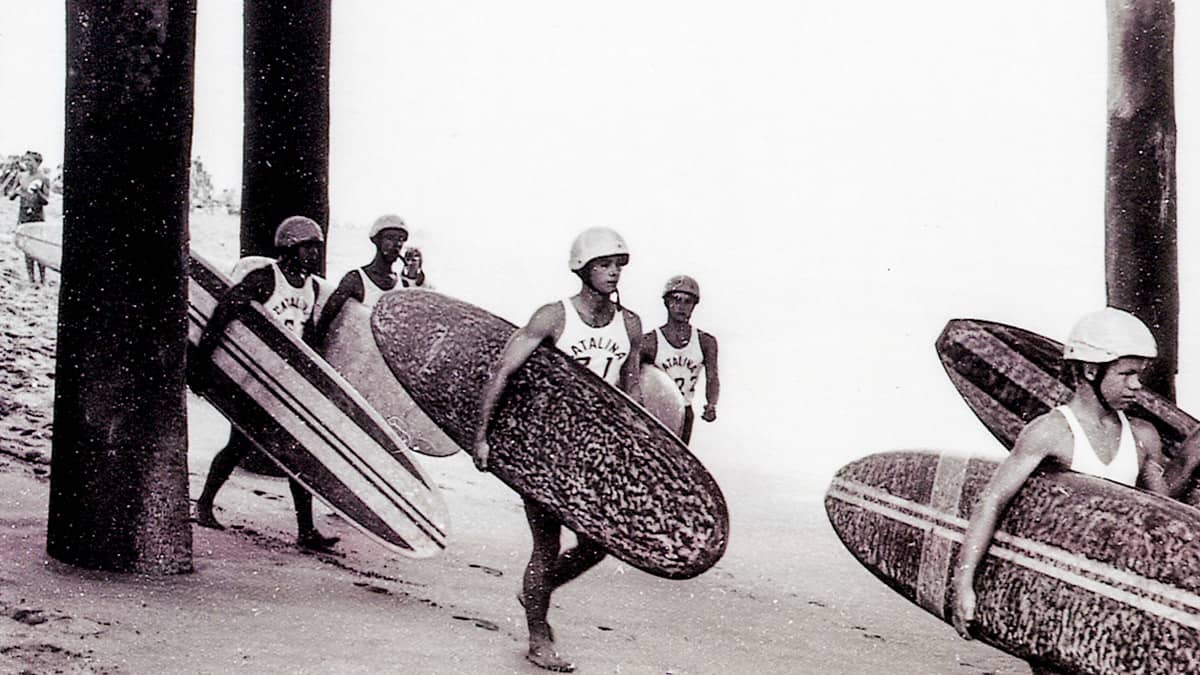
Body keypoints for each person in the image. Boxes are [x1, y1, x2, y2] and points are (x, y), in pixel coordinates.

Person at [950, 308, 1192, 672]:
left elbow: (1163, 510)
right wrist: (964, 582)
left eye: (1138, 375)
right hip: (1057, 591)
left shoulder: (1143, 436)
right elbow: (993, 499)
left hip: (1115, 593)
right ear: (1091, 371)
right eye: (1126, 374)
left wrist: (1191, 454)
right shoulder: (1050, 433)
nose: (1136, 386)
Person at [472, 226, 644, 673]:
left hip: (596, 454)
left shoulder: (630, 325)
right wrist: (482, 436)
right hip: (545, 449)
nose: (613, 272)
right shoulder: (554, 316)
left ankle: (534, 592)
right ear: (582, 268)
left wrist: (641, 456)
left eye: (618, 265)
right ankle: (538, 637)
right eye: (604, 264)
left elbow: (632, 399)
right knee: (546, 546)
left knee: (597, 543)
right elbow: (503, 372)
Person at [193, 216, 340, 552]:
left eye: (317, 247)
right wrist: (203, 363)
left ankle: (306, 531)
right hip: (254, 379)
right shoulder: (264, 278)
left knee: (296, 452)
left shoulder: (312, 287)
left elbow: (308, 334)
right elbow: (224, 312)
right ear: (289, 246)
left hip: (285, 384)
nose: (315, 253)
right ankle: (203, 504)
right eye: (308, 247)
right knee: (238, 444)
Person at [312, 214, 426, 347]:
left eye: (401, 239)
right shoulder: (355, 279)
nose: (397, 244)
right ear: (377, 241)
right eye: (390, 238)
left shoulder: (403, 285)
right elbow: (325, 320)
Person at [640, 274, 720, 444]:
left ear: (694, 305)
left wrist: (711, 404)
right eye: (676, 299)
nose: (681, 306)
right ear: (667, 303)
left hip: (683, 410)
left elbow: (712, 377)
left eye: (688, 301)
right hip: (653, 410)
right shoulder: (649, 341)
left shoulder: (706, 342)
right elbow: (631, 375)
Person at [9, 151, 51, 284]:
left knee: (38, 247)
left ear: (38, 163)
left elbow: (46, 201)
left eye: (30, 161)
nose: (27, 163)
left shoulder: (44, 178)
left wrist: (37, 191)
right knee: (26, 247)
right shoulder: (21, 176)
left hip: (37, 214)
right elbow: (11, 196)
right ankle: (31, 279)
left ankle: (43, 279)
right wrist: (16, 193)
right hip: (23, 213)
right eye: (25, 160)